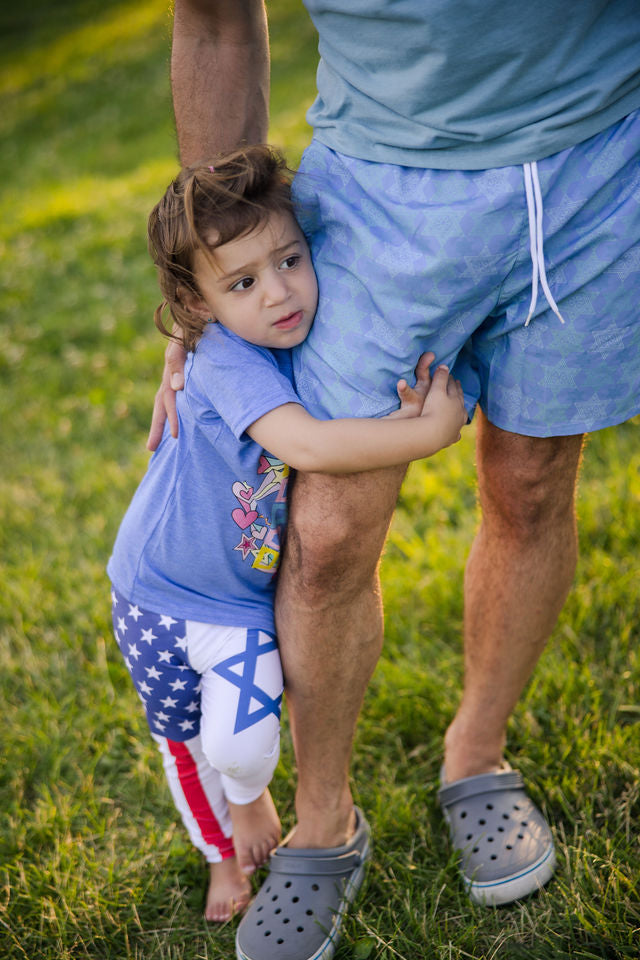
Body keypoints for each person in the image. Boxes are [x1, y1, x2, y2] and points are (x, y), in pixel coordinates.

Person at [151, 3, 640, 958]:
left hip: (602, 159)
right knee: (326, 529)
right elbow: (213, 25)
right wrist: (214, 288)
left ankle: (476, 753)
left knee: (534, 481)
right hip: (384, 187)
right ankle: (323, 819)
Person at [108, 145, 467, 925]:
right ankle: (221, 857)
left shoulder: (280, 342)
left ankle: (250, 801)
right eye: (243, 282)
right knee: (187, 747)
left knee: (241, 748)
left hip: (235, 599)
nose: (278, 293)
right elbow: (306, 447)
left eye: (290, 260)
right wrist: (429, 433)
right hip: (156, 599)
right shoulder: (226, 358)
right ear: (198, 306)